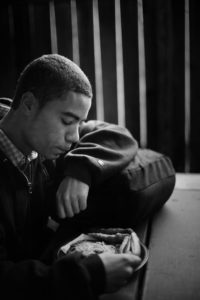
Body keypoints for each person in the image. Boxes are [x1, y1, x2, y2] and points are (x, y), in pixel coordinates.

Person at [0, 54, 141, 300]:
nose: (75, 137)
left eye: (79, 123)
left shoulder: (37, 141)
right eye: (67, 121)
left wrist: (80, 171)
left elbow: (118, 135)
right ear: (29, 104)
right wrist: (88, 275)